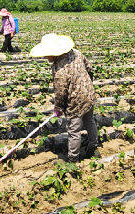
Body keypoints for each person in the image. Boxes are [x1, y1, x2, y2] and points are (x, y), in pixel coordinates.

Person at [30, 33, 98, 162]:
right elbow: (90, 68)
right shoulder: (76, 53)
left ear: (54, 53)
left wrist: (58, 107)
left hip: (76, 101)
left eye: (47, 53)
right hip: (89, 94)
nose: (45, 56)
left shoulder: (59, 68)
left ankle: (73, 159)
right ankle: (93, 148)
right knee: (90, 121)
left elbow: (61, 92)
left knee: (74, 130)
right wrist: (88, 85)